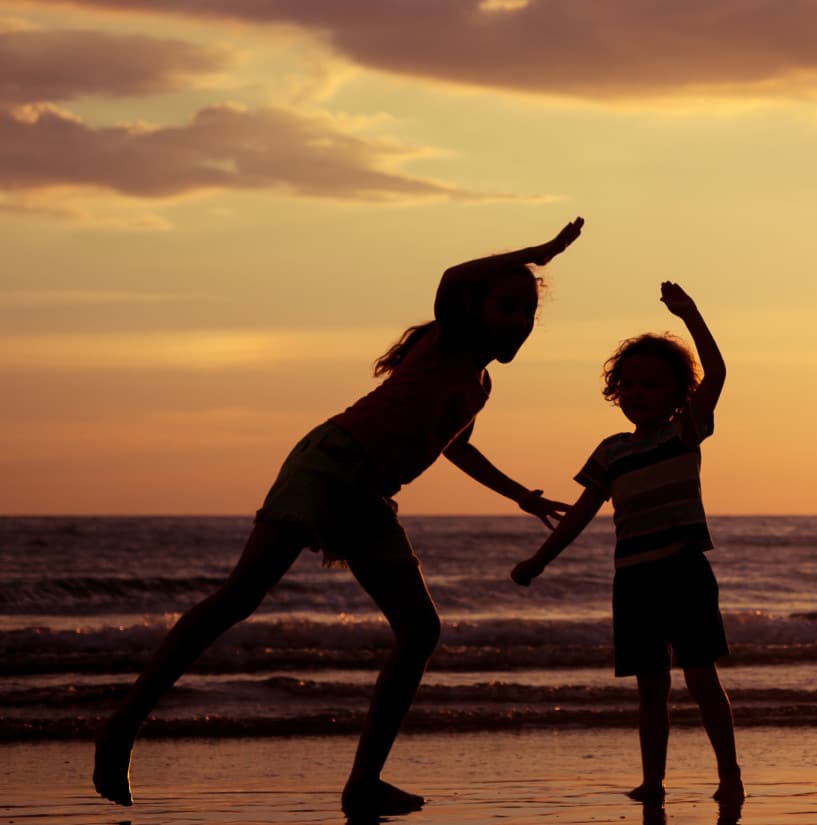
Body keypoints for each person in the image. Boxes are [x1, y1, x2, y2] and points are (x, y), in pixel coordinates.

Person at [92, 218, 586, 818]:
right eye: (508, 307)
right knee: (238, 598)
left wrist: (520, 495)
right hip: (329, 465)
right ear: (473, 311)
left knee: (420, 631)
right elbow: (453, 276)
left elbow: (456, 446)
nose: (520, 322)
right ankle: (122, 726)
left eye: (527, 314)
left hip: (368, 493)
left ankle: (363, 783)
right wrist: (540, 253)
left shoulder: (477, 383)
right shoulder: (450, 342)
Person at [511, 281, 742, 805]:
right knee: (650, 688)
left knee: (701, 677)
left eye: (650, 385)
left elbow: (719, 375)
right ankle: (654, 781)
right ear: (616, 391)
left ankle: (729, 774)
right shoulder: (611, 452)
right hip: (633, 580)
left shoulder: (684, 432)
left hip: (683, 571)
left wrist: (691, 315)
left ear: (677, 394)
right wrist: (538, 561)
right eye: (629, 385)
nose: (637, 393)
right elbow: (580, 516)